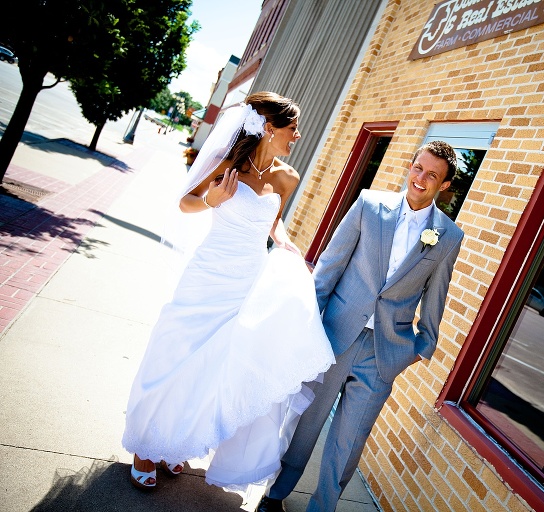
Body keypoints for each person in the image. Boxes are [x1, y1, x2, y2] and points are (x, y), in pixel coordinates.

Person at [122, 92, 335, 497]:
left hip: (247, 283)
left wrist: (288, 244)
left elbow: (274, 224)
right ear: (269, 128)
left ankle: (176, 440)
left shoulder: (287, 177)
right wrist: (211, 200)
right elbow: (186, 204)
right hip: (207, 277)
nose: (298, 135)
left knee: (212, 368)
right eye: (293, 128)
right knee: (175, 356)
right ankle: (145, 450)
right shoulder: (226, 163)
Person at [258, 141, 465, 511]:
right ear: (411, 165)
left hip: (383, 351)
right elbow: (330, 266)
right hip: (332, 335)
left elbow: (437, 295)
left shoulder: (448, 237)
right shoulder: (370, 205)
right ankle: (275, 494)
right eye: (418, 168)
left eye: (432, 175)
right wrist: (308, 321)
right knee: (304, 423)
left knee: (349, 441)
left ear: (444, 185)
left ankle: (322, 507)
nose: (421, 178)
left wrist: (421, 346)